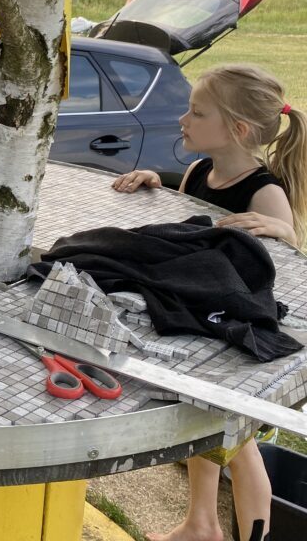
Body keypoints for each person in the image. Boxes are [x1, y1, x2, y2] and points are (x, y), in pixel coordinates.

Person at [113, 64, 307, 541]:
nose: (184, 120)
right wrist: (157, 186)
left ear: (237, 129)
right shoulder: (199, 171)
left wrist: (284, 231)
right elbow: (191, 234)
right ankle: (200, 524)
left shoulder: (264, 191)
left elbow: (289, 271)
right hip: (202, 323)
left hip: (240, 339)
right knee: (203, 426)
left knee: (240, 446)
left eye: (197, 113)